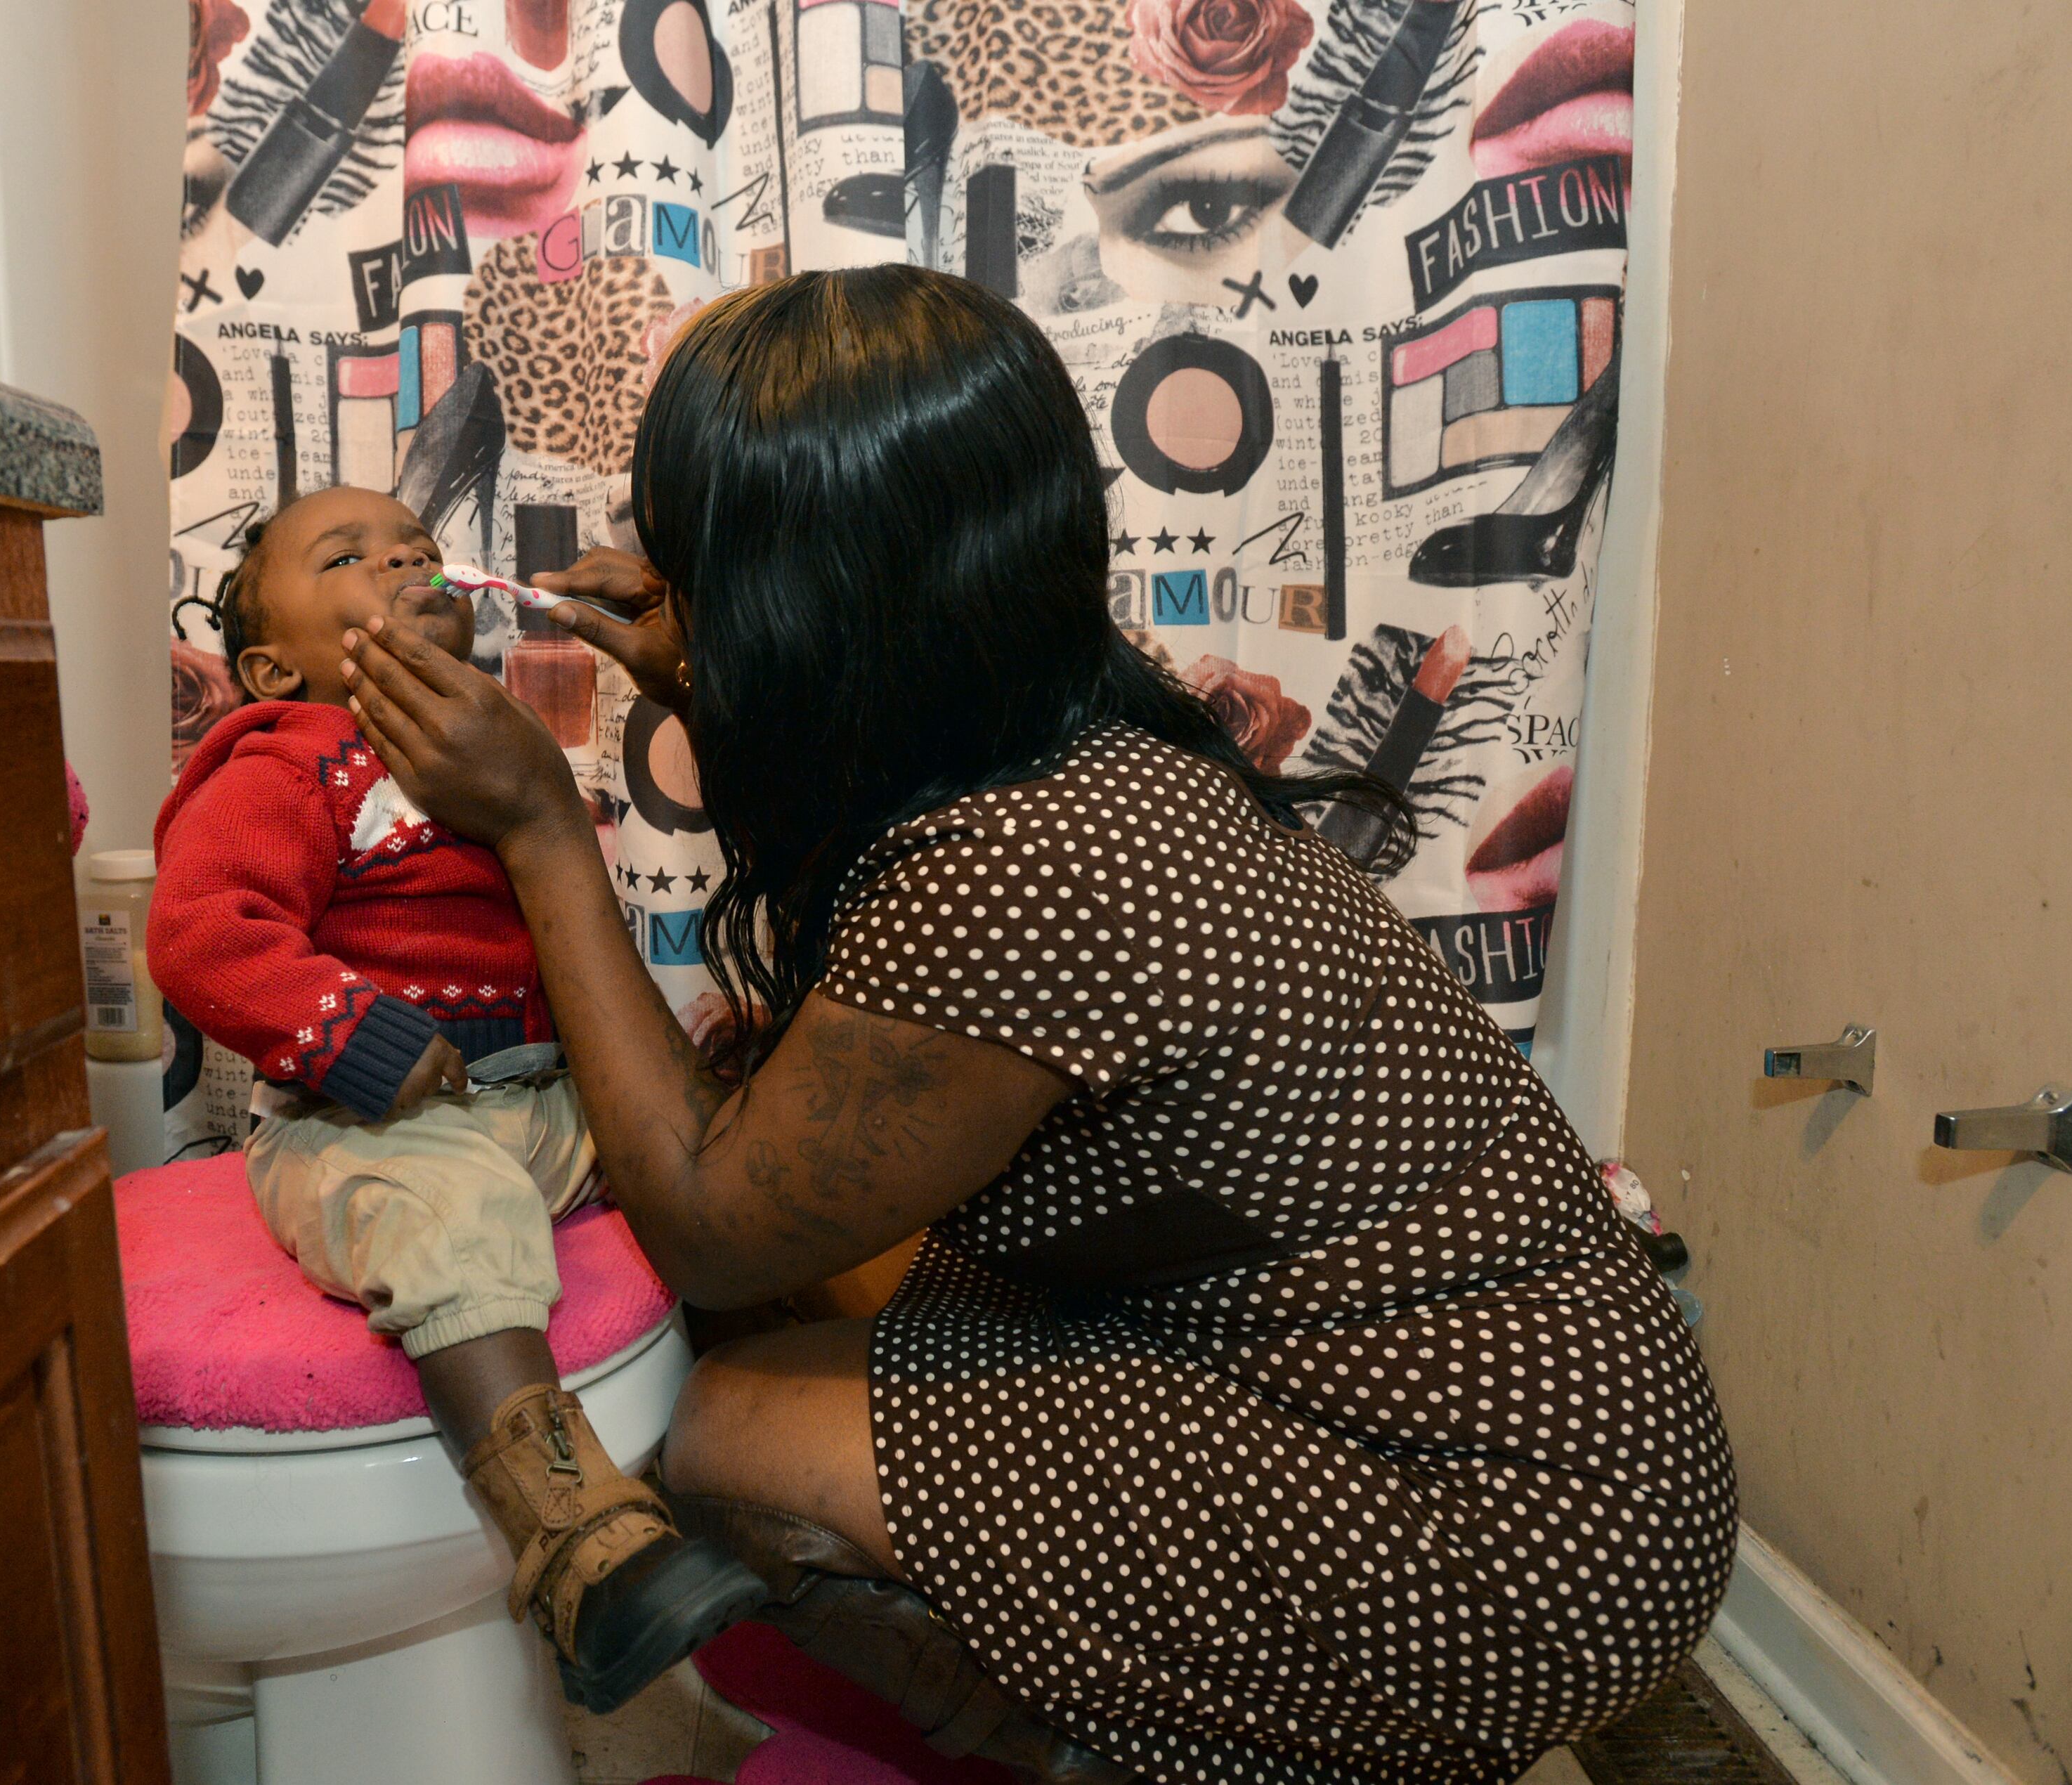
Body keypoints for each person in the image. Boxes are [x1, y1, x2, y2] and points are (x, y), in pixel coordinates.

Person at [334, 266, 1739, 1783]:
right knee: (852, 1274)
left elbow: (710, 1229)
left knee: (728, 1427)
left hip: (1506, 1524)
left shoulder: (1014, 873)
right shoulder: (1066, 748)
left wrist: (543, 825)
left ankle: (1083, 1756)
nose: (657, 575)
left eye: (699, 561)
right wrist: (700, 661)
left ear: (816, 601)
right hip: (1505, 1405)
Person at [145, 483, 764, 1716]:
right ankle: (579, 1549)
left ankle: (729, 1499)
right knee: (454, 1211)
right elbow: (203, 930)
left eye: (417, 545)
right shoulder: (286, 760)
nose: (405, 559)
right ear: (275, 666)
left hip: (535, 1094)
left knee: (707, 1151)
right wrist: (354, 1038)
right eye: (350, 557)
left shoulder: (490, 739)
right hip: (379, 1122)